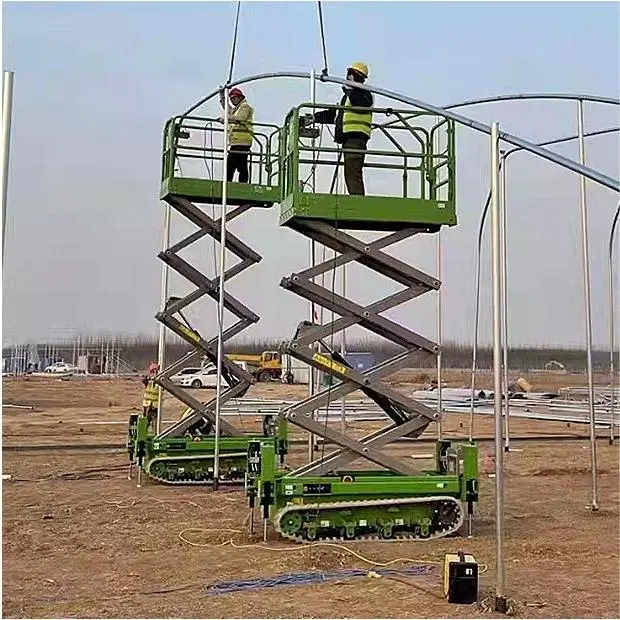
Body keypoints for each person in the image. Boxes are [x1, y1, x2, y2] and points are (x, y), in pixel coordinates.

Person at [304, 62, 373, 195]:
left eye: (350, 75)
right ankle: (357, 199)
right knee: (351, 172)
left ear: (354, 76)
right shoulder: (348, 97)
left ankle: (358, 202)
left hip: (356, 139)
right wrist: (314, 118)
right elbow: (335, 114)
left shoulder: (364, 94)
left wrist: (351, 89)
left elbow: (360, 103)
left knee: (352, 172)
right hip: (349, 139)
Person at [219, 87, 254, 183]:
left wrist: (226, 118)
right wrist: (222, 95)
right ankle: (228, 183)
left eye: (233, 98)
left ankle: (242, 184)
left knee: (241, 164)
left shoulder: (245, 106)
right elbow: (227, 108)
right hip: (236, 141)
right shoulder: (236, 109)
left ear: (239, 97)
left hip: (243, 141)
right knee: (231, 165)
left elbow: (240, 118)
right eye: (230, 99)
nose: (232, 100)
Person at [141, 362, 160, 429]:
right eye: (153, 372)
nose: (154, 373)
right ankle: (143, 431)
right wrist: (148, 377)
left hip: (156, 405)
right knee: (145, 420)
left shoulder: (160, 382)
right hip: (147, 404)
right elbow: (143, 380)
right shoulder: (148, 381)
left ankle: (154, 432)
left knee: (155, 421)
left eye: (155, 371)